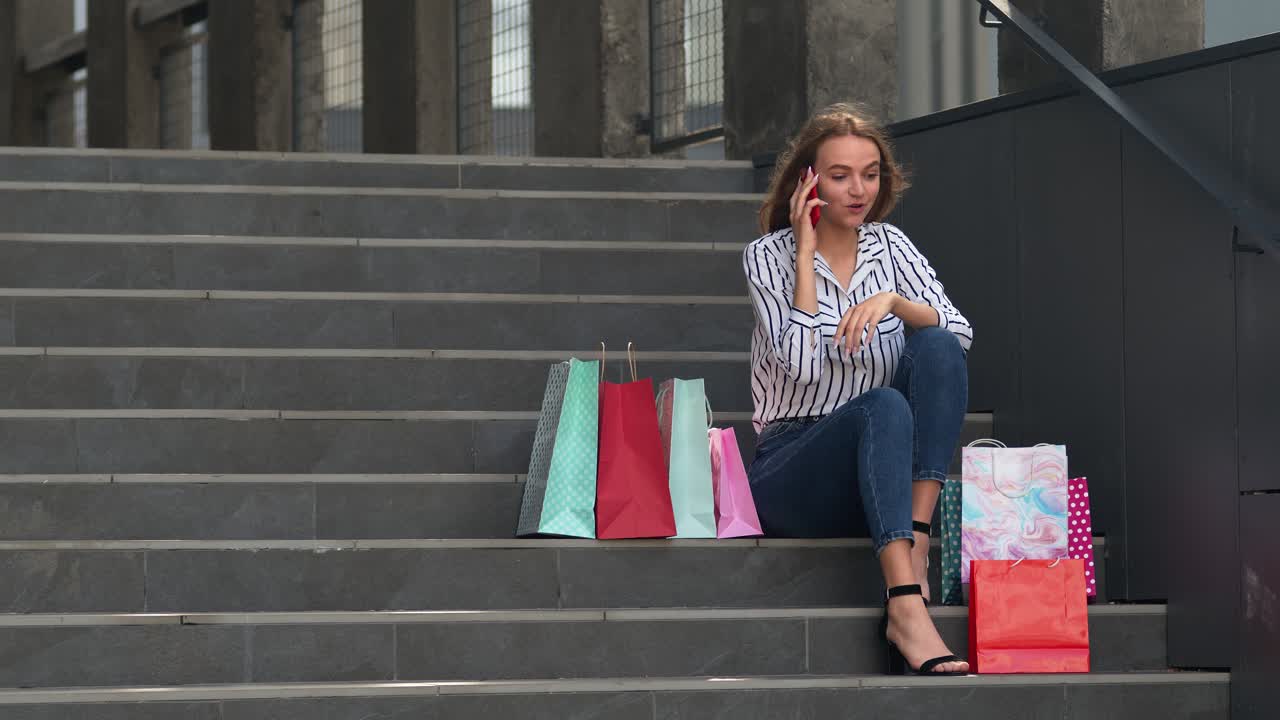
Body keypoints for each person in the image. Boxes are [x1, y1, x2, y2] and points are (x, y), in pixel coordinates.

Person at [743, 103, 972, 675]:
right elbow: (801, 368)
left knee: (936, 345)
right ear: (809, 180)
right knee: (884, 406)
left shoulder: (890, 246)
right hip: (793, 468)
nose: (858, 190)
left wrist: (895, 301)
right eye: (840, 175)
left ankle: (915, 537)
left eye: (870, 173)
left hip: (880, 475)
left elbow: (960, 334)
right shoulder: (766, 258)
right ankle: (906, 607)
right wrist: (802, 251)